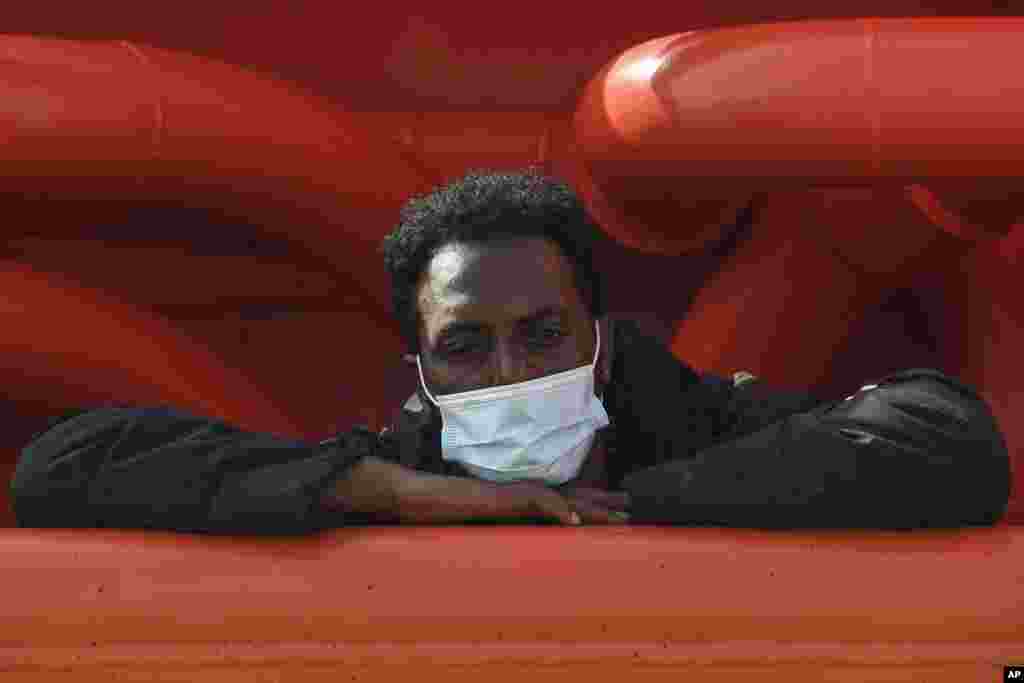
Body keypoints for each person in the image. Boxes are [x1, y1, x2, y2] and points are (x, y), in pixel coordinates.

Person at [8, 171, 1011, 534]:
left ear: (599, 340)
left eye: (542, 335)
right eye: (464, 346)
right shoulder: (395, 472)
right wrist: (394, 495)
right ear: (422, 374)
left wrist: (656, 501)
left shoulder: (703, 421)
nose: (510, 375)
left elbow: (946, 435)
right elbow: (65, 463)